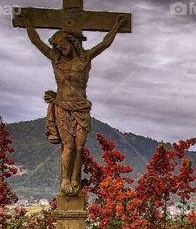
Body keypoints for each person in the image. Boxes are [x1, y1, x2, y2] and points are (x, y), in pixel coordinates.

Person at [15, 13, 126, 195]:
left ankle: (75, 179)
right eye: (58, 47)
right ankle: (65, 179)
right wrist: (27, 22)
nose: (61, 49)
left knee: (80, 146)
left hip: (81, 107)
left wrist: (116, 26)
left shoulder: (85, 59)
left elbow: (105, 43)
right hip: (63, 107)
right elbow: (36, 42)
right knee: (69, 146)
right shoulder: (56, 60)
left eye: (63, 45)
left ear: (70, 42)